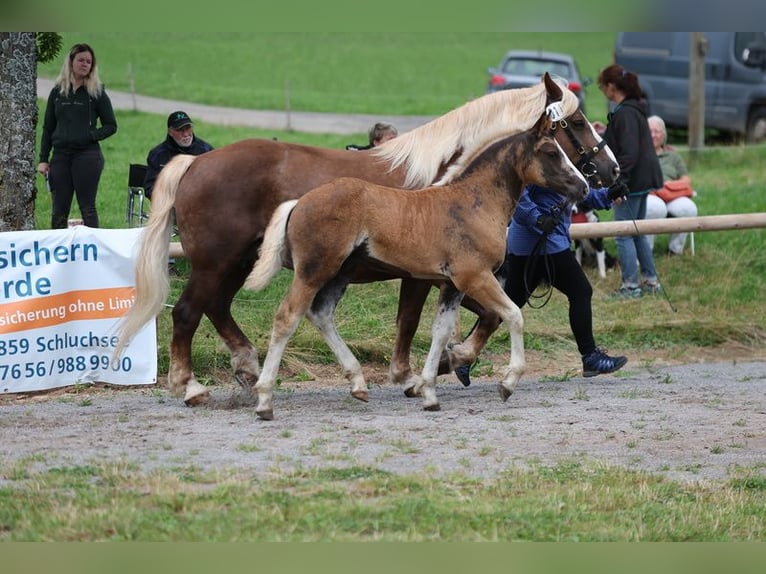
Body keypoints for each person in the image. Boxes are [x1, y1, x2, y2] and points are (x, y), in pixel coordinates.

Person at [455, 183, 629, 383]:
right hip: (543, 241)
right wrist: (536, 218)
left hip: (534, 243)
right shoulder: (541, 154)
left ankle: (463, 355)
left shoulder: (563, 162)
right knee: (580, 291)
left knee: (508, 303)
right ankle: (590, 356)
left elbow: (578, 190)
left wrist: (608, 194)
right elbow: (519, 193)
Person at [597, 64, 664, 299]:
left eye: (603, 86)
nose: (602, 91)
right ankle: (650, 281)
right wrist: (606, 130)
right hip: (644, 178)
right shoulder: (634, 110)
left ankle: (630, 286)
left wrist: (618, 184)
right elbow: (627, 141)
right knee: (637, 231)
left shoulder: (624, 113)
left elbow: (628, 154)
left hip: (632, 181)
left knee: (623, 232)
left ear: (612, 87)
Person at [37, 43, 117, 229]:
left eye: (89, 61)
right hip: (60, 157)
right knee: (59, 210)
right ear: (71, 62)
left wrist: (90, 136)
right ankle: (58, 253)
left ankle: (93, 253)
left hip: (87, 156)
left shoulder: (96, 93)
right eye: (81, 60)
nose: (85, 64)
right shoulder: (57, 92)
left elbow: (111, 125)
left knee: (87, 207)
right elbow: (48, 127)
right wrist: (43, 159)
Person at [645, 115, 698, 255]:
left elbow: (686, 179)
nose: (653, 135)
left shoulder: (673, 156)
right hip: (650, 194)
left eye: (657, 131)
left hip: (671, 194)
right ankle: (646, 250)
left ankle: (675, 250)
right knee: (655, 208)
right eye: (649, 131)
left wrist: (670, 185)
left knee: (689, 209)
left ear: (663, 135)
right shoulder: (640, 154)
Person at [144, 111, 214, 199]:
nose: (186, 134)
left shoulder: (206, 151)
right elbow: (149, 188)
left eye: (188, 128)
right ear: (170, 132)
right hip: (169, 206)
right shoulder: (157, 155)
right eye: (180, 130)